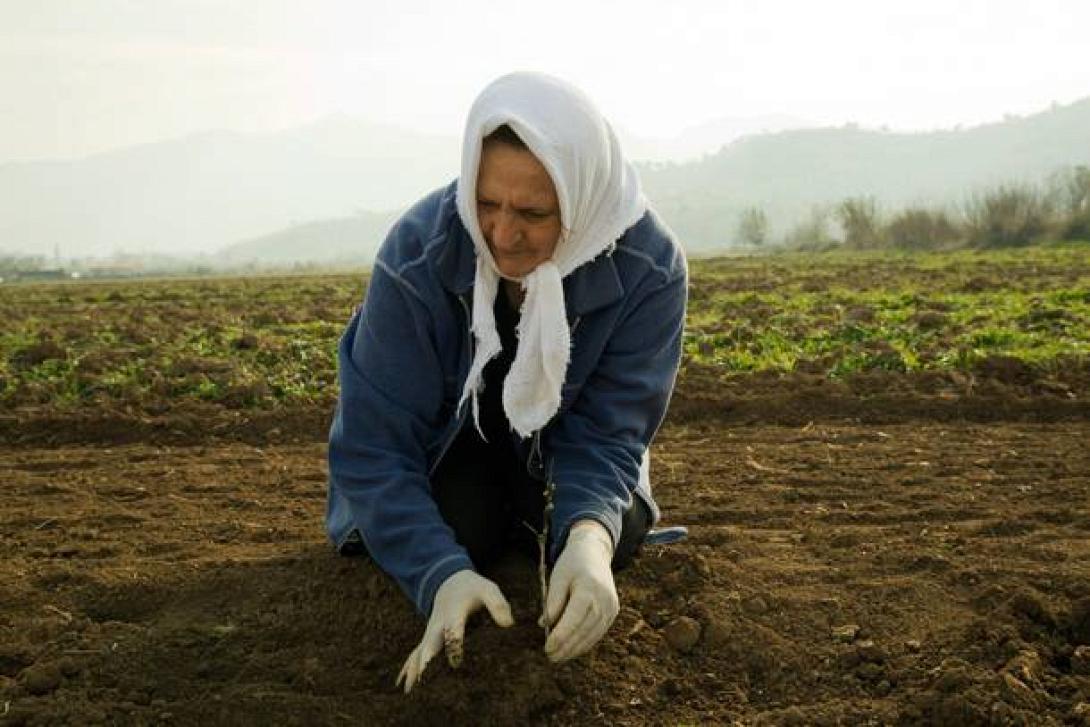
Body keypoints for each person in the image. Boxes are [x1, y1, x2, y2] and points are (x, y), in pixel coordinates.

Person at [325, 72, 687, 693]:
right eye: (486, 203)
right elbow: (373, 446)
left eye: (534, 213)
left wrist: (590, 539)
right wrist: (440, 574)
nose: (501, 234)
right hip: (451, 445)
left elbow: (609, 432)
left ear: (582, 200)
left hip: (562, 444)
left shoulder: (648, 267)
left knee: (611, 537)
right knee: (460, 530)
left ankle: (551, 526)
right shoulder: (418, 254)